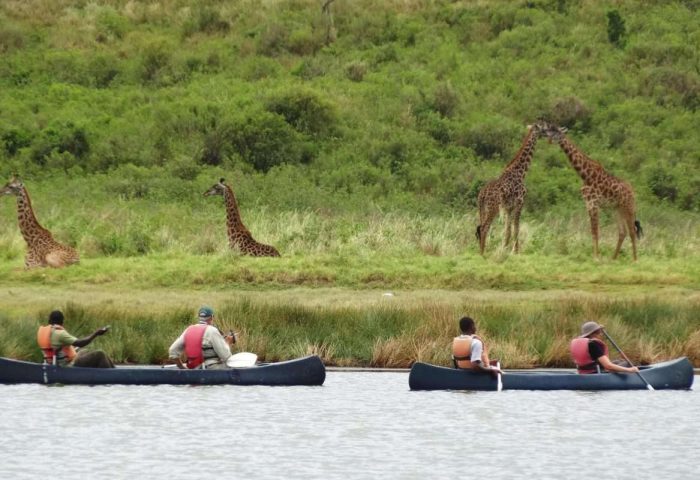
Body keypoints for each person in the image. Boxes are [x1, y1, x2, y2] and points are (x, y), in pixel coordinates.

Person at [37, 310, 114, 368]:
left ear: (49, 320)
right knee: (100, 354)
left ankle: (114, 370)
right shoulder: (59, 333)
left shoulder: (43, 332)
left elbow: (57, 347)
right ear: (62, 321)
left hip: (54, 363)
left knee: (84, 351)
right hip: (68, 365)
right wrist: (96, 333)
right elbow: (81, 343)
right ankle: (113, 374)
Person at [168, 306, 236, 370]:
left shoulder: (188, 329)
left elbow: (172, 351)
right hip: (211, 369)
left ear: (199, 317)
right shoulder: (212, 331)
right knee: (233, 364)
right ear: (212, 317)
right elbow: (226, 356)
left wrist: (182, 367)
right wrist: (228, 342)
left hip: (193, 368)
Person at [570, 321, 640, 374]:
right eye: (599, 332)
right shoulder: (593, 344)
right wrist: (630, 370)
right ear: (593, 333)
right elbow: (608, 366)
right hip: (596, 372)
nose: (601, 334)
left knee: (619, 361)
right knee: (627, 363)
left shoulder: (579, 342)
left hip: (583, 372)